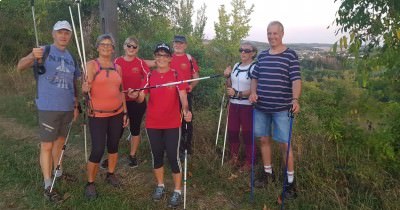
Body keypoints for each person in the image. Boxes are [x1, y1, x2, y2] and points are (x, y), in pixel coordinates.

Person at [16, 20, 80, 202]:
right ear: (53, 34)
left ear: (70, 36)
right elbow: (20, 66)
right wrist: (31, 57)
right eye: (60, 32)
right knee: (47, 145)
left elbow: (73, 83)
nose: (63, 35)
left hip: (67, 107)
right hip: (47, 107)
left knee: (60, 143)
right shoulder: (43, 51)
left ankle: (58, 172)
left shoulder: (71, 56)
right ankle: (47, 183)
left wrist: (76, 105)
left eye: (67, 33)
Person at [129, 43, 192, 208]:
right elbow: (141, 97)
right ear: (155, 57)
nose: (161, 58)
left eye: (165, 55)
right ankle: (160, 185)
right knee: (156, 155)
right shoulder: (149, 76)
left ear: (170, 58)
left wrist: (186, 111)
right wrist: (135, 95)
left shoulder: (176, 74)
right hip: (153, 124)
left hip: (172, 123)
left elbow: (183, 97)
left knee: (173, 156)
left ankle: (177, 191)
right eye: (158, 55)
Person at [249, 21, 301, 200]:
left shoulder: (290, 55)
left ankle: (291, 183)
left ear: (282, 33)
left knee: (285, 144)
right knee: (263, 140)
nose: (272, 36)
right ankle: (268, 174)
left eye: (275, 33)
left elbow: (296, 80)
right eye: (269, 33)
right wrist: (253, 92)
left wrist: (295, 99)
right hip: (261, 107)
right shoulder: (262, 56)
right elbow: (255, 78)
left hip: (282, 108)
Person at [82, 34, 128, 199]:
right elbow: (84, 87)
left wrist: (125, 111)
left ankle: (110, 174)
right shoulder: (91, 65)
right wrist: (84, 87)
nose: (106, 47)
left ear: (113, 49)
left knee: (114, 145)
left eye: (109, 45)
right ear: (98, 46)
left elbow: (120, 91)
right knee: (98, 149)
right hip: (97, 115)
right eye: (103, 44)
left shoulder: (118, 68)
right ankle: (90, 183)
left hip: (116, 113)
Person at [114, 36, 150, 168]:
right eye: (129, 45)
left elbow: (147, 77)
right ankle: (113, 155)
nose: (131, 48)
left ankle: (132, 155)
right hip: (119, 101)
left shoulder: (140, 62)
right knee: (117, 129)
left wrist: (139, 92)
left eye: (134, 47)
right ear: (124, 46)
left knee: (135, 129)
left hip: (136, 102)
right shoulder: (117, 61)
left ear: (137, 49)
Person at [223, 41, 257, 172]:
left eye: (247, 50)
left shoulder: (254, 67)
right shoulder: (236, 65)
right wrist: (227, 76)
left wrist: (237, 93)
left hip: (247, 106)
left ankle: (250, 161)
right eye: (241, 50)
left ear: (253, 53)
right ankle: (234, 158)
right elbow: (229, 85)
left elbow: (254, 89)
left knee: (247, 134)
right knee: (232, 132)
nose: (243, 52)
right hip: (233, 105)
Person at [170, 35, 200, 160]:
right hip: (170, 96)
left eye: (181, 43)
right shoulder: (167, 58)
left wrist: (191, 86)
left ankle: (186, 149)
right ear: (173, 44)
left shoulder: (189, 59)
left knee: (186, 121)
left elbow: (196, 77)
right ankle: (172, 148)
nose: (178, 45)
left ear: (185, 45)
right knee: (171, 122)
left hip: (185, 95)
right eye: (176, 43)